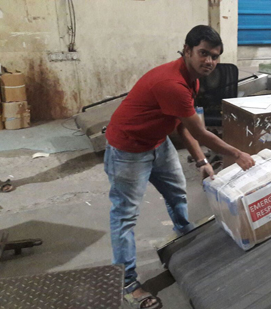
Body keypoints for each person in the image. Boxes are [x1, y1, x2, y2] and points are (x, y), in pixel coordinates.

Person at [104, 25, 255, 309]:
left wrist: (201, 161)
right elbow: (200, 133)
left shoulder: (192, 79)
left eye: (215, 56)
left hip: (158, 142)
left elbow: (182, 126)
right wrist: (238, 154)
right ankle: (126, 283)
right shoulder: (171, 83)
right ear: (187, 50)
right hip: (128, 149)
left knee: (177, 195)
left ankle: (186, 241)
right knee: (124, 216)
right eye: (203, 54)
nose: (209, 61)